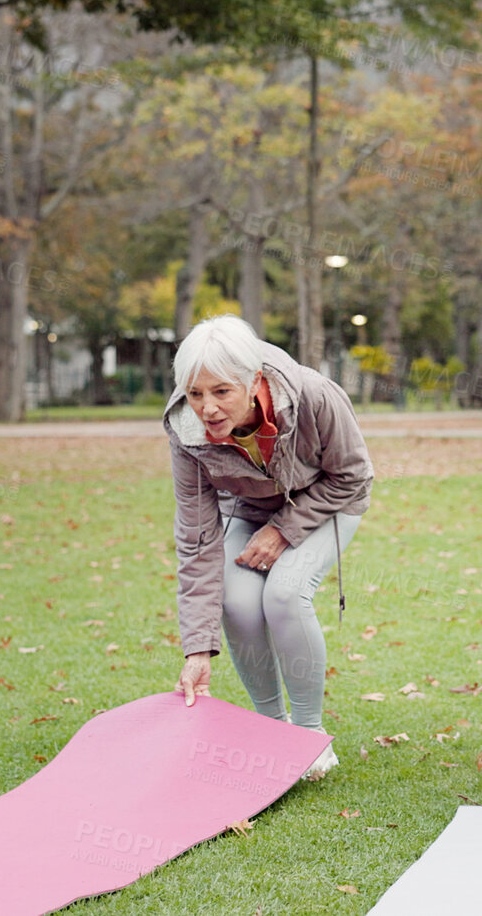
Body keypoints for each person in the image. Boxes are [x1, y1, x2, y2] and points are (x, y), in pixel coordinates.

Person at [164, 315, 373, 778]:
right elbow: (197, 539)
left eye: (222, 392)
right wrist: (197, 650)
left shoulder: (313, 394)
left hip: (329, 502)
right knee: (236, 602)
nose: (208, 408)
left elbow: (354, 476)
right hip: (251, 507)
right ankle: (272, 731)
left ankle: (310, 735)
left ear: (253, 380)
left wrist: (283, 531)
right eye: (196, 394)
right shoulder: (186, 429)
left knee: (284, 593)